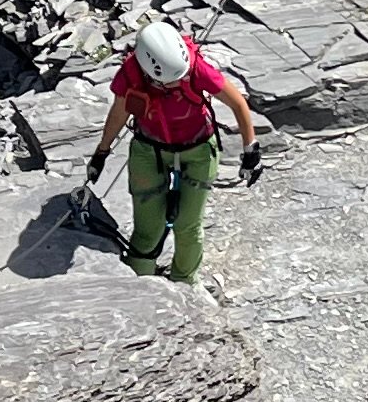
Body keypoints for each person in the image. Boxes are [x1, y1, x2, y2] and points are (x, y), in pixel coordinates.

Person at [86, 20, 260, 285]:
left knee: (187, 226)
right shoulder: (131, 74)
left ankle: (185, 284)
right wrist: (102, 151)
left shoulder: (193, 67)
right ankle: (139, 286)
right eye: (166, 83)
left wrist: (251, 149)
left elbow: (237, 103)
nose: (173, 86)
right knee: (148, 229)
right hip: (150, 149)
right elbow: (119, 112)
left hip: (197, 148)